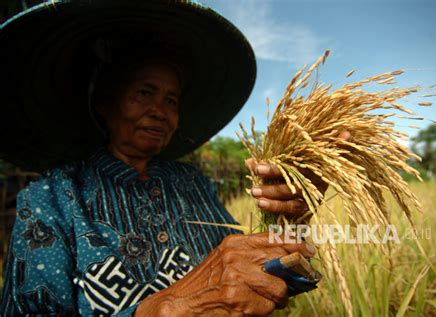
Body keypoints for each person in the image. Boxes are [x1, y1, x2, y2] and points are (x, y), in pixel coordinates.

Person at [0, 1, 341, 315]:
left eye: (171, 100)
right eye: (144, 92)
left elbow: (252, 278)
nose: (159, 112)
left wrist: (292, 218)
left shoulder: (191, 183)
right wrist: (163, 309)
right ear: (103, 104)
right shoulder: (53, 198)